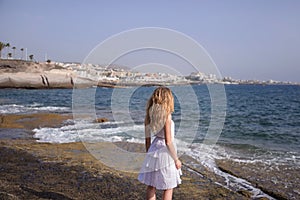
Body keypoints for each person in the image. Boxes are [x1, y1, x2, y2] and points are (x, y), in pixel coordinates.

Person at [138, 86, 182, 200]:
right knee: (169, 186)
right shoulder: (167, 116)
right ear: (168, 100)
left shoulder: (149, 116)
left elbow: (147, 140)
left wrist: (149, 154)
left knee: (151, 185)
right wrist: (176, 159)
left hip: (154, 149)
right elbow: (168, 141)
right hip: (165, 152)